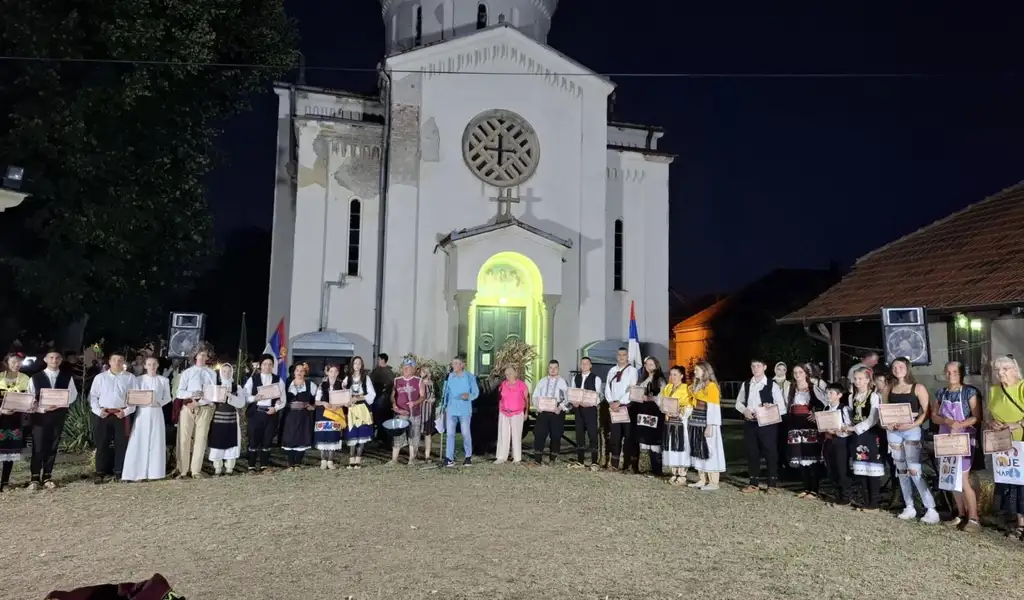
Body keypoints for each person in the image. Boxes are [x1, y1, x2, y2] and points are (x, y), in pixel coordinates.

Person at [884, 357, 939, 524]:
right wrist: (888, 423)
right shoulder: (889, 388)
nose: (897, 369)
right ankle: (909, 506)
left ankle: (930, 508)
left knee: (914, 469)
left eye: (901, 366)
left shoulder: (918, 388)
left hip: (912, 431)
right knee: (901, 470)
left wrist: (913, 424)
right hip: (894, 432)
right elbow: (885, 409)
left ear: (907, 368)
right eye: (894, 366)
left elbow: (925, 411)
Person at [932, 361, 981, 532]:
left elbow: (976, 416)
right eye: (948, 371)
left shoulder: (969, 392)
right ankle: (960, 514)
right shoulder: (941, 392)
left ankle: (973, 517)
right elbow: (934, 416)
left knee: (962, 478)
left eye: (954, 371)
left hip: (963, 439)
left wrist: (959, 425)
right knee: (950, 477)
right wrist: (947, 421)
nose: (951, 374)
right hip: (945, 439)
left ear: (961, 373)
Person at [27, 349, 78, 489]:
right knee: (38, 446)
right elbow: (30, 397)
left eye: (57, 358)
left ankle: (47, 476)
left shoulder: (67, 377)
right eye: (51, 358)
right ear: (45, 360)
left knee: (53, 445)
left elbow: (72, 395)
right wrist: (41, 408)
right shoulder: (35, 377)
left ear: (61, 360)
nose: (54, 360)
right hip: (40, 417)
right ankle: (35, 478)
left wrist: (60, 403)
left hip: (58, 415)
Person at [735, 358, 787, 493]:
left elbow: (782, 408)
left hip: (767, 424)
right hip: (751, 423)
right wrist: (745, 410)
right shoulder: (746, 384)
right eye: (753, 366)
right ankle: (753, 482)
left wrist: (770, 408)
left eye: (758, 366)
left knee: (770, 453)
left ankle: (772, 484)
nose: (755, 368)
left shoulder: (771, 385)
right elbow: (738, 403)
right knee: (752, 452)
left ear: (764, 367)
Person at [986, 355, 1024, 539]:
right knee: (1011, 483)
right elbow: (989, 415)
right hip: (1002, 444)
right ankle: (1017, 522)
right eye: (997, 370)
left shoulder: (1023, 387)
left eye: (1005, 369)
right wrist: (992, 423)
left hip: (1021, 440)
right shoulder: (994, 390)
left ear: (1015, 370)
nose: (1000, 373)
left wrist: (1017, 424)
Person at [122, 357, 172, 482]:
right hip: (142, 413)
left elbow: (168, 397)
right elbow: (133, 396)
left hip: (156, 412)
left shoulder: (163, 380)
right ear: (145, 366)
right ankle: (136, 472)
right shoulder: (138, 380)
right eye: (149, 364)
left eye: (154, 364)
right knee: (139, 439)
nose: (152, 366)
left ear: (158, 365)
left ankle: (155, 472)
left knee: (156, 440)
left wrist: (158, 403)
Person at [89, 353, 137, 483]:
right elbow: (93, 396)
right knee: (102, 443)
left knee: (121, 444)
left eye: (120, 360)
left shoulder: (130, 378)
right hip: (104, 414)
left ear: (123, 362)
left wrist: (126, 411)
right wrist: (98, 411)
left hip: (121, 415)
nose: (117, 362)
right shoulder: (100, 378)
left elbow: (134, 398)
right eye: (114, 360)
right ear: (109, 362)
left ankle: (119, 472)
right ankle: (100, 472)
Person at [173, 347, 218, 479]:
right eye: (200, 355)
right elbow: (179, 392)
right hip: (188, 406)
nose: (202, 358)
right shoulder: (187, 373)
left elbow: (213, 394)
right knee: (184, 438)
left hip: (204, 407)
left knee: (201, 439)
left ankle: (196, 470)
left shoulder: (212, 373)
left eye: (205, 356)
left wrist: (200, 402)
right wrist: (192, 395)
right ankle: (182, 470)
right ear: (195, 357)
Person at [844, 367, 884, 511]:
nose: (857, 381)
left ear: (868, 380)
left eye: (860, 378)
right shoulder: (851, 397)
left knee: (872, 467)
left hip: (870, 435)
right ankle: (866, 500)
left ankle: (874, 502)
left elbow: (873, 418)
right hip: (856, 436)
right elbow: (849, 414)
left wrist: (856, 428)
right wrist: (847, 426)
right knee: (860, 467)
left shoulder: (873, 396)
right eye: (855, 379)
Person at [786, 363, 826, 499]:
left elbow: (825, 404)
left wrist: (816, 414)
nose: (797, 375)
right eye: (795, 372)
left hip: (809, 424)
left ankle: (814, 489)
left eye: (800, 372)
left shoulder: (812, 388)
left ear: (806, 374)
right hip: (795, 425)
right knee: (800, 456)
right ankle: (805, 487)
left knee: (811, 457)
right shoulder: (792, 389)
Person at [243, 354, 286, 472]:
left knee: (267, 440)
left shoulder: (278, 380)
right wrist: (254, 398)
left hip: (270, 414)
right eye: (265, 364)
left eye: (270, 364)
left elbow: (283, 399)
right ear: (260, 366)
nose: (267, 366)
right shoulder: (253, 379)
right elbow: (245, 395)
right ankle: (251, 465)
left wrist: (275, 408)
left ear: (273, 366)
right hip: (256, 414)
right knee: (253, 440)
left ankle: (264, 465)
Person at [688, 360, 725, 491]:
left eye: (697, 369)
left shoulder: (711, 387)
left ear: (705, 371)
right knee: (698, 450)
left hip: (707, 423)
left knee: (710, 450)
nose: (695, 371)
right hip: (695, 422)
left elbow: (713, 407)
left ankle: (714, 482)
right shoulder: (695, 386)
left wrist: (710, 425)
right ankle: (702, 478)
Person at [630, 356, 667, 476]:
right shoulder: (643, 379)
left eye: (651, 364)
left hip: (654, 412)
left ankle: (656, 468)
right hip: (643, 411)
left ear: (656, 365)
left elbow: (662, 397)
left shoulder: (660, 380)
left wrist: (650, 398)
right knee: (644, 438)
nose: (648, 367)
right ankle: (644, 467)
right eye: (646, 365)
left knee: (653, 439)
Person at [207, 364, 247, 476]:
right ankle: (218, 469)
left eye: (229, 371)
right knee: (217, 443)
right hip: (218, 419)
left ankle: (229, 469)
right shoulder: (216, 386)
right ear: (220, 373)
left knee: (231, 443)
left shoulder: (237, 387)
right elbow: (209, 400)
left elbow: (241, 403)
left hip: (231, 420)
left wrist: (230, 396)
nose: (227, 373)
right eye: (224, 371)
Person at [0, 353, 30, 492]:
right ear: (7, 362)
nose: (16, 364)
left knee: (9, 452)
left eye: (19, 362)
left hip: (14, 420)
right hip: (1, 417)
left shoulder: (25, 379)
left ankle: (5, 482)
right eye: (13, 362)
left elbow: (28, 398)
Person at [442, 355, 479, 467]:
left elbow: (476, 393)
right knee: (450, 434)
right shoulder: (450, 377)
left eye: (457, 363)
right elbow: (446, 392)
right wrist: (443, 406)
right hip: (451, 409)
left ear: (462, 365)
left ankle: (468, 456)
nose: (454, 366)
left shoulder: (469, 377)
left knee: (465, 433)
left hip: (464, 410)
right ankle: (449, 458)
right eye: (453, 363)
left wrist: (468, 396)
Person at [604, 348, 638, 470]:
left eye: (624, 355)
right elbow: (607, 387)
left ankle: (627, 464)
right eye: (619, 354)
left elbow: (632, 389)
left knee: (628, 436)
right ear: (616, 356)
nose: (621, 357)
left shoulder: (632, 371)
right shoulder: (612, 370)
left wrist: (620, 401)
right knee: (615, 436)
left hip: (626, 408)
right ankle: (614, 463)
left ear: (627, 356)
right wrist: (611, 402)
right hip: (613, 408)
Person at [819, 382, 852, 506]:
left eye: (831, 393)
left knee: (841, 468)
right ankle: (837, 493)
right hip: (828, 441)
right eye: (827, 392)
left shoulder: (844, 409)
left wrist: (838, 430)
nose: (828, 395)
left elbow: (849, 426)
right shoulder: (826, 408)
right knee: (831, 468)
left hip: (840, 442)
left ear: (839, 395)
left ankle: (846, 496)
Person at [659, 365, 693, 485]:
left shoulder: (686, 389)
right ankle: (674, 472)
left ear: (681, 376)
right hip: (669, 421)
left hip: (680, 421)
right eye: (671, 374)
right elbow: (662, 402)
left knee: (681, 446)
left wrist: (680, 412)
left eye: (675, 374)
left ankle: (682, 474)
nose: (672, 377)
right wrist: (665, 409)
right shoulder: (668, 387)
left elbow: (689, 405)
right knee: (671, 446)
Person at [531, 360, 569, 466]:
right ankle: (537, 459)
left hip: (556, 413)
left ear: (558, 369)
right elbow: (535, 396)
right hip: (543, 413)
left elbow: (566, 398)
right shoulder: (542, 381)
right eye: (550, 368)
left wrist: (560, 408)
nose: (553, 370)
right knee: (539, 434)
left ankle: (553, 458)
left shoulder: (562, 382)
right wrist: (538, 407)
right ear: (548, 369)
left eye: (555, 368)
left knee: (556, 435)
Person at [569, 357, 602, 470]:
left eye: (586, 363)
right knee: (579, 435)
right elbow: (573, 392)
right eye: (582, 364)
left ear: (590, 365)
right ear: (580, 365)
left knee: (592, 435)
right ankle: (580, 461)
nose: (584, 365)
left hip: (590, 410)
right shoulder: (576, 378)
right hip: (578, 410)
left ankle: (594, 462)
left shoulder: (596, 378)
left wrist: (591, 403)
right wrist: (574, 402)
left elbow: (598, 396)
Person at [342, 357, 376, 469]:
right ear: (352, 365)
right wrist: (347, 401)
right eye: (355, 363)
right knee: (352, 434)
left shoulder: (366, 378)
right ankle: (351, 460)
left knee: (362, 434)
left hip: (362, 409)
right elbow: (343, 393)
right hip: (352, 409)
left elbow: (372, 394)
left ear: (361, 365)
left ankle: (358, 461)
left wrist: (359, 397)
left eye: (359, 363)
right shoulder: (347, 379)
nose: (357, 365)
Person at [281, 362, 316, 470]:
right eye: (297, 370)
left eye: (302, 371)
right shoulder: (287, 384)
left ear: (305, 372)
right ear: (294, 372)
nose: (299, 373)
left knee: (302, 437)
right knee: (290, 437)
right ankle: (291, 463)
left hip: (304, 415)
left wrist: (313, 405)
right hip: (290, 414)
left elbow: (319, 397)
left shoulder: (310, 385)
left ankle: (297, 463)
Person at [390, 359, 423, 465]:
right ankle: (394, 459)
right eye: (404, 367)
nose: (405, 369)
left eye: (408, 368)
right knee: (398, 435)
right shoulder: (397, 380)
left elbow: (423, 396)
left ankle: (411, 459)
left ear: (413, 369)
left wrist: (415, 402)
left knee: (413, 435)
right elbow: (393, 395)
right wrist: (394, 405)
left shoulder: (418, 381)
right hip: (401, 413)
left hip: (414, 413)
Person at [314, 363, 347, 469]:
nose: (333, 374)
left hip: (335, 412)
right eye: (331, 371)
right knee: (323, 435)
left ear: (338, 373)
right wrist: (324, 403)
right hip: (323, 413)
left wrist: (338, 405)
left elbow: (345, 399)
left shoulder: (341, 384)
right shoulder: (322, 384)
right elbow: (316, 401)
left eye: (335, 371)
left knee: (333, 435)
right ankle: (323, 460)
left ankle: (330, 460)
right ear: (327, 372)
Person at [495, 365, 529, 464]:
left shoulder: (522, 385)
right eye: (506, 374)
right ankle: (501, 456)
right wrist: (500, 410)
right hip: (504, 413)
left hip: (517, 413)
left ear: (515, 374)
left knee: (516, 435)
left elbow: (527, 399)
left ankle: (517, 457)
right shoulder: (503, 385)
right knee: (503, 434)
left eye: (510, 373)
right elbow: (500, 398)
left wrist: (526, 412)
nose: (508, 375)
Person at [370, 352, 395, 444]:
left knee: (379, 419)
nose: (378, 361)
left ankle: (381, 437)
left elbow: (371, 384)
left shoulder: (379, 371)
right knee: (384, 419)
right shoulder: (390, 372)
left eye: (379, 359)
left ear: (382, 360)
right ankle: (383, 437)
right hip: (386, 400)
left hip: (380, 400)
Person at [418, 365, 437, 461]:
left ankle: (427, 455)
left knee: (427, 433)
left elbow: (433, 396)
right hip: (420, 410)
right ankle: (415, 453)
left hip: (428, 411)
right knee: (417, 433)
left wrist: (432, 400)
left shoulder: (431, 384)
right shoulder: (419, 383)